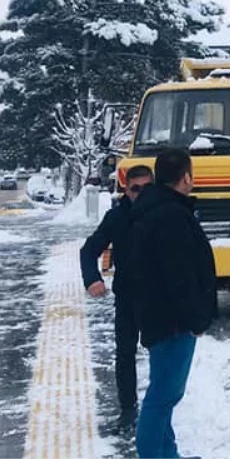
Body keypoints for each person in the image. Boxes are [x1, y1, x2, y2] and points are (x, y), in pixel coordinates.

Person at [130, 147, 217, 459]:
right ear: (186, 177)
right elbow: (179, 275)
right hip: (171, 321)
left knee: (165, 394)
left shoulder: (158, 208)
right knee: (162, 396)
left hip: (159, 316)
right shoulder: (171, 216)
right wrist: (196, 319)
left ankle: (168, 454)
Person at [79, 163, 154, 428]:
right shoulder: (116, 218)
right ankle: (128, 409)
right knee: (124, 354)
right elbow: (89, 250)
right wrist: (92, 279)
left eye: (148, 188)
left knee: (160, 352)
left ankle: (158, 409)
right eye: (136, 188)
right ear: (126, 189)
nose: (141, 194)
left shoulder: (164, 214)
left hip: (159, 298)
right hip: (128, 296)